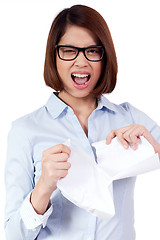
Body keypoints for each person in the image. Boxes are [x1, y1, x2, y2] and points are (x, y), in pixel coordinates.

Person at [4, 4, 160, 240]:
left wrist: (151, 143)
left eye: (93, 51)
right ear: (54, 55)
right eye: (69, 50)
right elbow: (14, 235)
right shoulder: (25, 130)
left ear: (104, 56)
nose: (81, 62)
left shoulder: (129, 118)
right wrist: (43, 188)